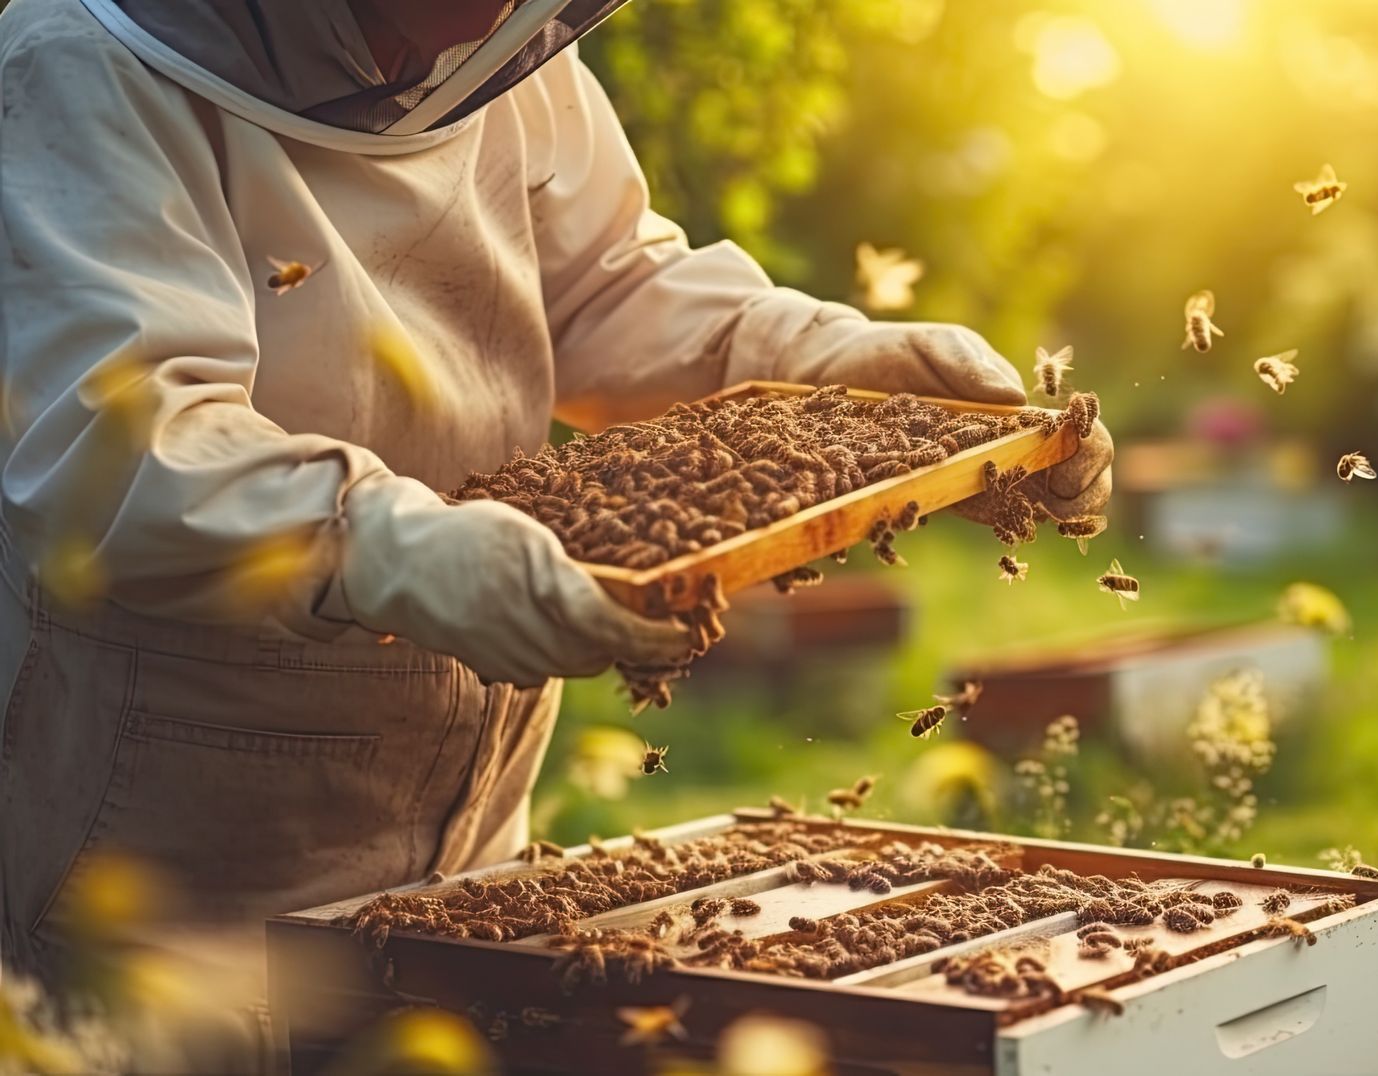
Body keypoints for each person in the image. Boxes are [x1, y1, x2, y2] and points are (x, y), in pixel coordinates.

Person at [0, 0, 1113, 1052]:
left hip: (471, 845)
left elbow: (608, 291)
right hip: (177, 867)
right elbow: (118, 439)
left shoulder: (505, 61)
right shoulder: (74, 66)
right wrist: (386, 543)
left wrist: (822, 360)